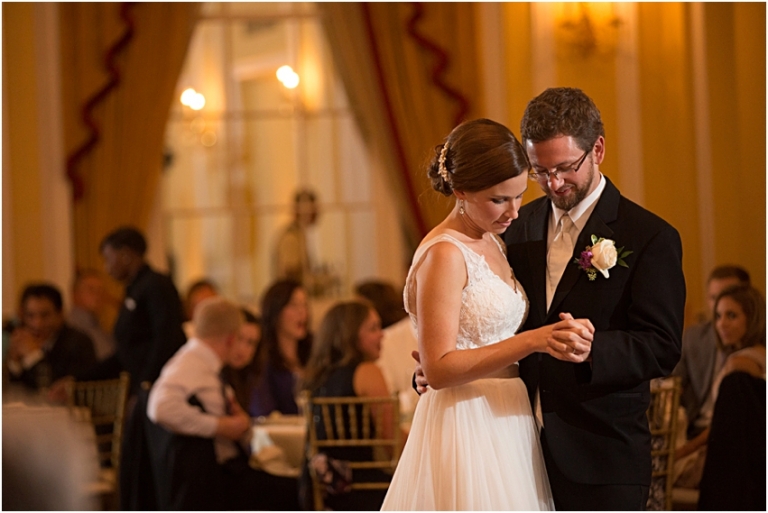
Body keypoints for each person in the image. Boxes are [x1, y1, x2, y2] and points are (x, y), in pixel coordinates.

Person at [383, 119, 596, 510]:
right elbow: (440, 368)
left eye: (518, 195)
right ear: (460, 190)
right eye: (499, 199)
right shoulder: (445, 254)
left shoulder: (493, 241)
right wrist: (534, 340)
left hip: (509, 416)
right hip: (467, 422)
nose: (514, 211)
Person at [500, 87, 685, 510]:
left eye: (565, 167)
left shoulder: (650, 236)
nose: (553, 183)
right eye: (539, 171)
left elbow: (663, 346)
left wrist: (593, 349)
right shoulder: (518, 225)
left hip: (604, 459)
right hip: (518, 451)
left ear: (597, 149)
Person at [147, 297, 299, 510]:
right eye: (239, 338)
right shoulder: (190, 364)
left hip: (222, 474)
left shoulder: (206, 365)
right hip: (217, 481)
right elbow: (159, 408)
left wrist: (239, 424)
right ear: (230, 339)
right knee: (300, 492)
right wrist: (220, 426)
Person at [300, 300, 399, 510]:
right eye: (373, 328)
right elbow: (394, 446)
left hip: (322, 488)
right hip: (362, 487)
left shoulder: (317, 377)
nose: (382, 335)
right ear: (350, 335)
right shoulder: (367, 372)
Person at [674, 284, 766, 489]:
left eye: (731, 316)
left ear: (752, 319)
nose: (721, 324)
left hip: (729, 458)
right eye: (717, 316)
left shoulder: (740, 364)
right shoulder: (759, 354)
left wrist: (682, 452)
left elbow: (723, 425)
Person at [672, 265, 750, 440]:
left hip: (735, 435)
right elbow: (672, 381)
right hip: (695, 428)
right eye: (713, 298)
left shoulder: (755, 350)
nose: (718, 306)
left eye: (727, 295)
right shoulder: (694, 337)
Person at [6, 283, 97, 391]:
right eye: (30, 315)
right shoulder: (24, 339)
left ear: (60, 314)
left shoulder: (79, 342)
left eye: (45, 315)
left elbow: (53, 389)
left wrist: (33, 356)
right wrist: (14, 361)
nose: (37, 324)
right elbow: (14, 389)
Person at [248, 279, 312, 417]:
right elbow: (263, 410)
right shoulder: (263, 358)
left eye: (304, 305)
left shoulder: (313, 353)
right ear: (275, 310)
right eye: (294, 305)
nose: (302, 312)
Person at [67, 270, 117, 361]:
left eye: (101, 291)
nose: (98, 295)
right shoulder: (71, 327)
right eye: (91, 290)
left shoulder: (98, 326)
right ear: (75, 294)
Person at [221, 308, 261, 411]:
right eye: (239, 338)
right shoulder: (215, 375)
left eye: (250, 343)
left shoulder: (251, 377)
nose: (242, 349)